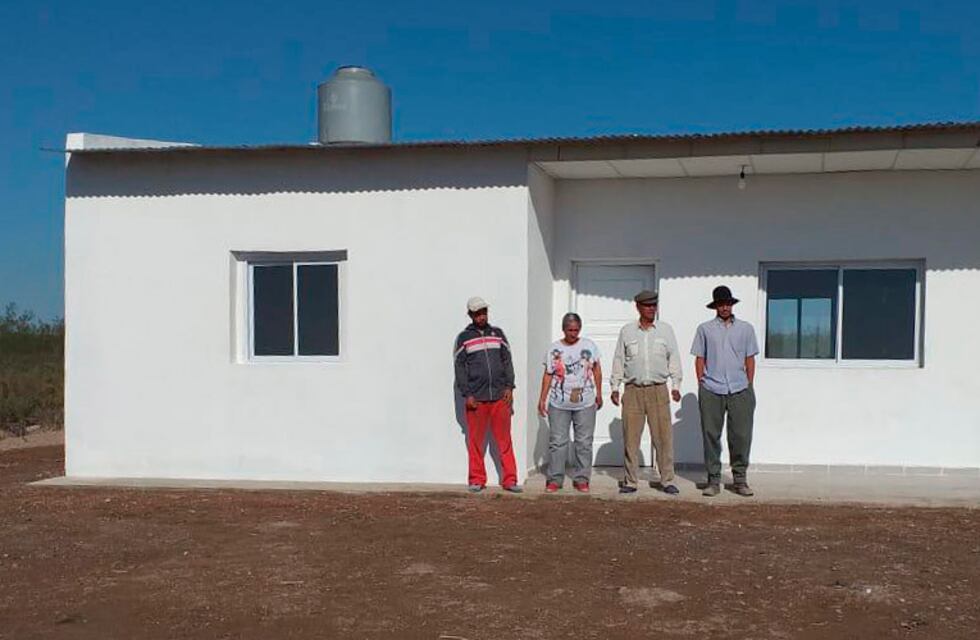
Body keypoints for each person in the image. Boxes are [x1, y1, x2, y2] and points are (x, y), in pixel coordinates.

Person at [610, 290, 683, 494]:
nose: (652, 309)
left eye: (654, 305)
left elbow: (674, 358)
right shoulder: (627, 331)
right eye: (647, 305)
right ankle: (631, 481)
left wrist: (675, 386)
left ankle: (667, 480)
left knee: (663, 437)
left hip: (658, 390)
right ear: (638, 307)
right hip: (633, 390)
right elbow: (619, 360)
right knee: (631, 438)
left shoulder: (666, 330)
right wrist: (615, 387)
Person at [691, 286, 759, 497]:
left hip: (740, 387)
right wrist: (702, 382)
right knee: (711, 434)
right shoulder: (705, 329)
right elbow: (700, 357)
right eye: (721, 304)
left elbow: (750, 358)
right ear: (715, 306)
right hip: (712, 387)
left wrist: (749, 382)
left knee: (741, 435)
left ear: (732, 304)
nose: (725, 307)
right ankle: (713, 480)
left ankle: (740, 479)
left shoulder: (746, 329)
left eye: (728, 303)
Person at [454, 296, 522, 493]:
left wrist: (509, 386)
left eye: (483, 312)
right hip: (477, 398)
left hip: (500, 397)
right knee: (475, 441)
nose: (481, 316)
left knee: (505, 440)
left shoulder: (498, 333)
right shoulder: (463, 338)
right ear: (470, 315)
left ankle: (510, 480)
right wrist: (467, 394)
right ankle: (476, 479)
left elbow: (507, 360)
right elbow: (459, 368)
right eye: (477, 313)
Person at [536, 313, 603, 493]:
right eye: (569, 330)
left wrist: (599, 393)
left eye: (576, 330)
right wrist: (542, 398)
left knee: (584, 442)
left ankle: (582, 478)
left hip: (585, 402)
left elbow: (597, 370)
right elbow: (548, 374)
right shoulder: (554, 349)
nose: (573, 333)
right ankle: (555, 479)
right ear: (563, 329)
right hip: (559, 403)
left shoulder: (589, 346)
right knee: (558, 442)